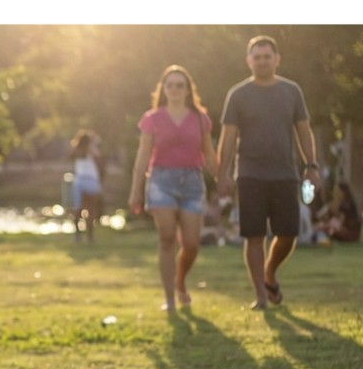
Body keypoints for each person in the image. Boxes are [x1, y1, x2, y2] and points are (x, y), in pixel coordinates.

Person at [217, 35, 320, 310]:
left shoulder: (291, 91)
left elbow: (303, 130)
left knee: (288, 234)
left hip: (285, 173)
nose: (262, 61)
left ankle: (269, 271)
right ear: (249, 61)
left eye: (267, 56)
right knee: (254, 235)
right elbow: (228, 138)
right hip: (249, 174)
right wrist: (223, 175)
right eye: (257, 57)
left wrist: (311, 166)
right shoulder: (238, 94)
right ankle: (261, 296)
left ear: (277, 59)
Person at [128, 65, 219, 311]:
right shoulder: (152, 119)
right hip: (161, 181)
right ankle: (169, 298)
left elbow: (209, 155)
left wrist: (224, 178)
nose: (175, 89)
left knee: (191, 244)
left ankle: (180, 280)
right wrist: (136, 190)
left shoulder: (201, 119)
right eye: (171, 85)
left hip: (192, 182)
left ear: (188, 90)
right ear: (164, 89)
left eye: (180, 85)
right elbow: (142, 157)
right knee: (166, 238)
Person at [69, 129, 104, 242]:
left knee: (86, 209)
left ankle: (86, 235)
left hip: (86, 181)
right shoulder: (79, 151)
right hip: (86, 180)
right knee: (82, 209)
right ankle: (83, 235)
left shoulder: (91, 151)